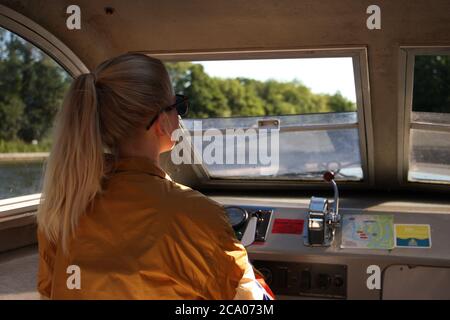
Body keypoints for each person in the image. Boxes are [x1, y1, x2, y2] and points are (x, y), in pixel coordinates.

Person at [36, 53, 273, 299]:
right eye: (177, 106)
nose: (179, 116)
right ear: (160, 122)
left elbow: (47, 289)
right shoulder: (197, 215)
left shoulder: (62, 209)